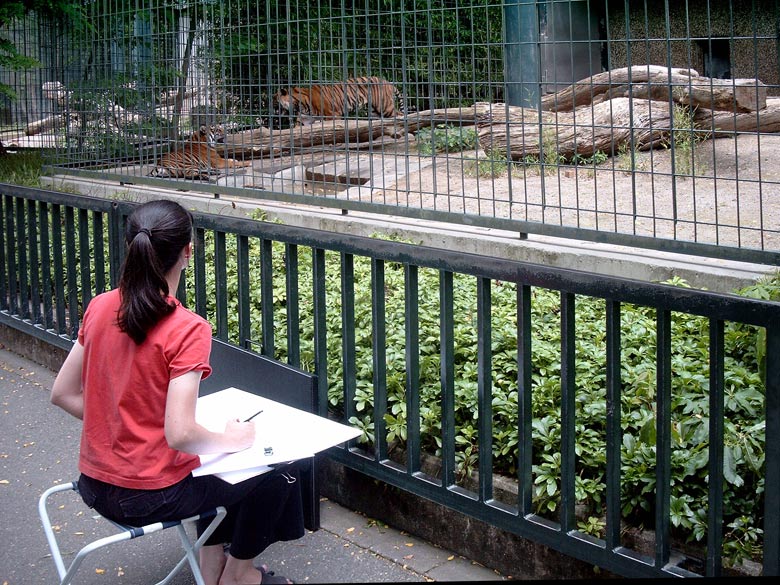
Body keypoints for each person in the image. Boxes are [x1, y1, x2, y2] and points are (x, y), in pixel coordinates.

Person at [50, 199, 303, 585]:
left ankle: (210, 563)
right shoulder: (187, 328)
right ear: (188, 251)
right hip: (150, 496)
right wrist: (230, 438)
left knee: (207, 462)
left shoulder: (100, 307)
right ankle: (238, 575)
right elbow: (180, 434)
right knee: (278, 467)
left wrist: (123, 424)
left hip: (94, 485)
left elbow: (63, 393)